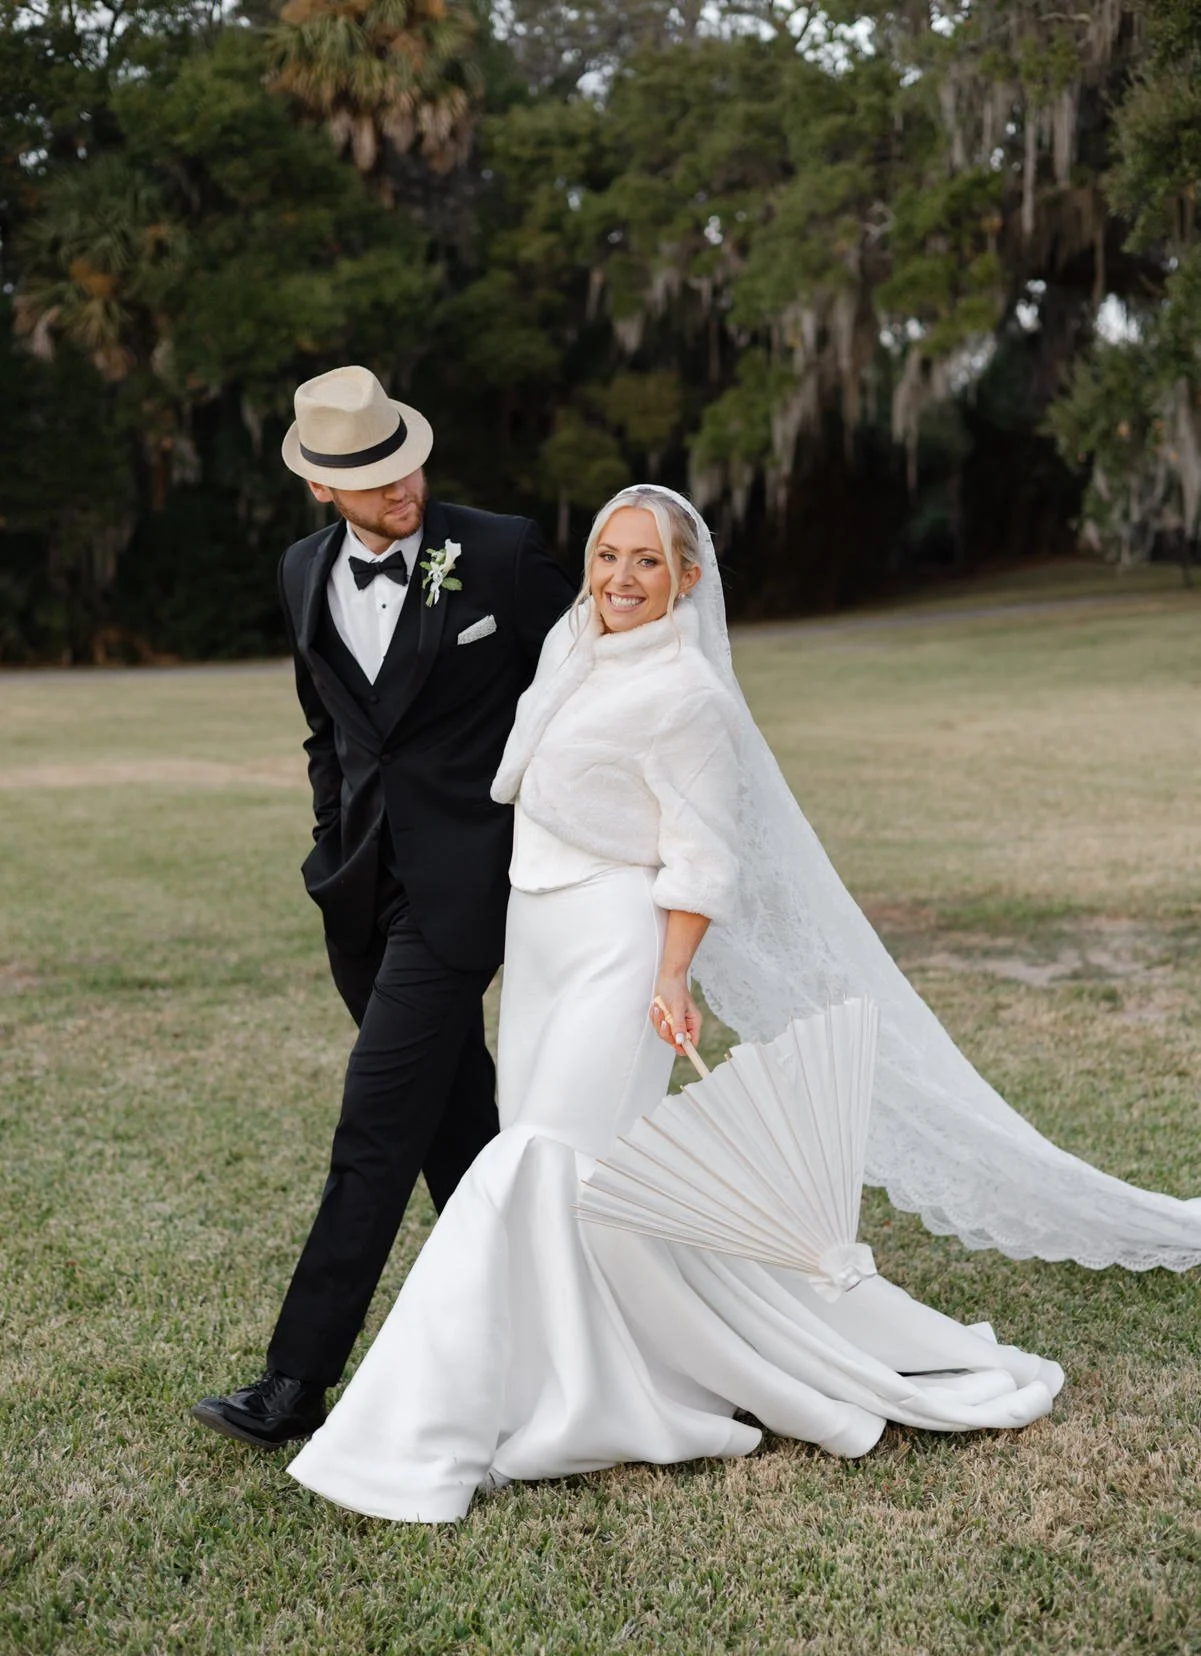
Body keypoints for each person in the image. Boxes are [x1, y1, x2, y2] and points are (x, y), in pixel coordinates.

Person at [286, 487, 1069, 1524]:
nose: (619, 578)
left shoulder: (688, 694)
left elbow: (703, 855)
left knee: (537, 1159)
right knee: (568, 1173)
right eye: (607, 555)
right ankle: (582, 1377)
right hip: (537, 936)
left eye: (647, 562)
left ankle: (448, 1421)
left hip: (617, 943)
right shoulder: (567, 650)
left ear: (686, 580)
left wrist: (668, 976)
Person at [191, 366, 573, 1448]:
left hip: (466, 893)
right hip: (357, 895)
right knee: (459, 1133)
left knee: (374, 1128)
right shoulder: (300, 572)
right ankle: (557, 1330)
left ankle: (293, 1381)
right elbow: (330, 730)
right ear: (322, 489)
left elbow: (586, 683)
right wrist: (329, 845)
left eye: (403, 457)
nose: (400, 484)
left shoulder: (498, 551)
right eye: (369, 474)